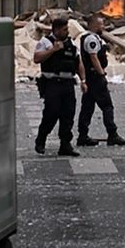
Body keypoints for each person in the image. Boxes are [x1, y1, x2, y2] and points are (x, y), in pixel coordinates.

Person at [33, 16, 86, 156]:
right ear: (56, 30)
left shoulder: (71, 43)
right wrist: (53, 50)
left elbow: (78, 62)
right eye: (64, 29)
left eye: (67, 29)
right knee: (51, 113)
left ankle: (65, 145)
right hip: (52, 83)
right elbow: (36, 58)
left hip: (68, 83)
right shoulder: (46, 42)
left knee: (68, 114)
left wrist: (83, 80)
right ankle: (41, 139)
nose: (67, 31)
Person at [77, 16, 125, 147]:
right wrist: (101, 74)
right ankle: (112, 134)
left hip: (90, 77)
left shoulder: (91, 38)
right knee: (107, 106)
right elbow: (94, 57)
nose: (103, 27)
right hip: (95, 78)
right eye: (101, 24)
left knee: (87, 107)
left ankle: (82, 136)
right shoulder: (91, 39)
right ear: (94, 25)